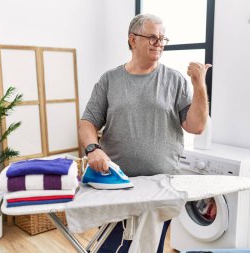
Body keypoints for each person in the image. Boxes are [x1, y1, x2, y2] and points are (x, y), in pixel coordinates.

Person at [78, 13, 211, 253]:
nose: (158, 43)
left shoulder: (175, 80)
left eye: (162, 39)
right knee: (111, 246)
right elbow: (88, 121)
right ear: (132, 40)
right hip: (116, 184)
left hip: (160, 185)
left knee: (152, 246)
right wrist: (92, 148)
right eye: (152, 37)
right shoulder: (110, 80)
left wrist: (199, 84)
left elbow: (196, 126)